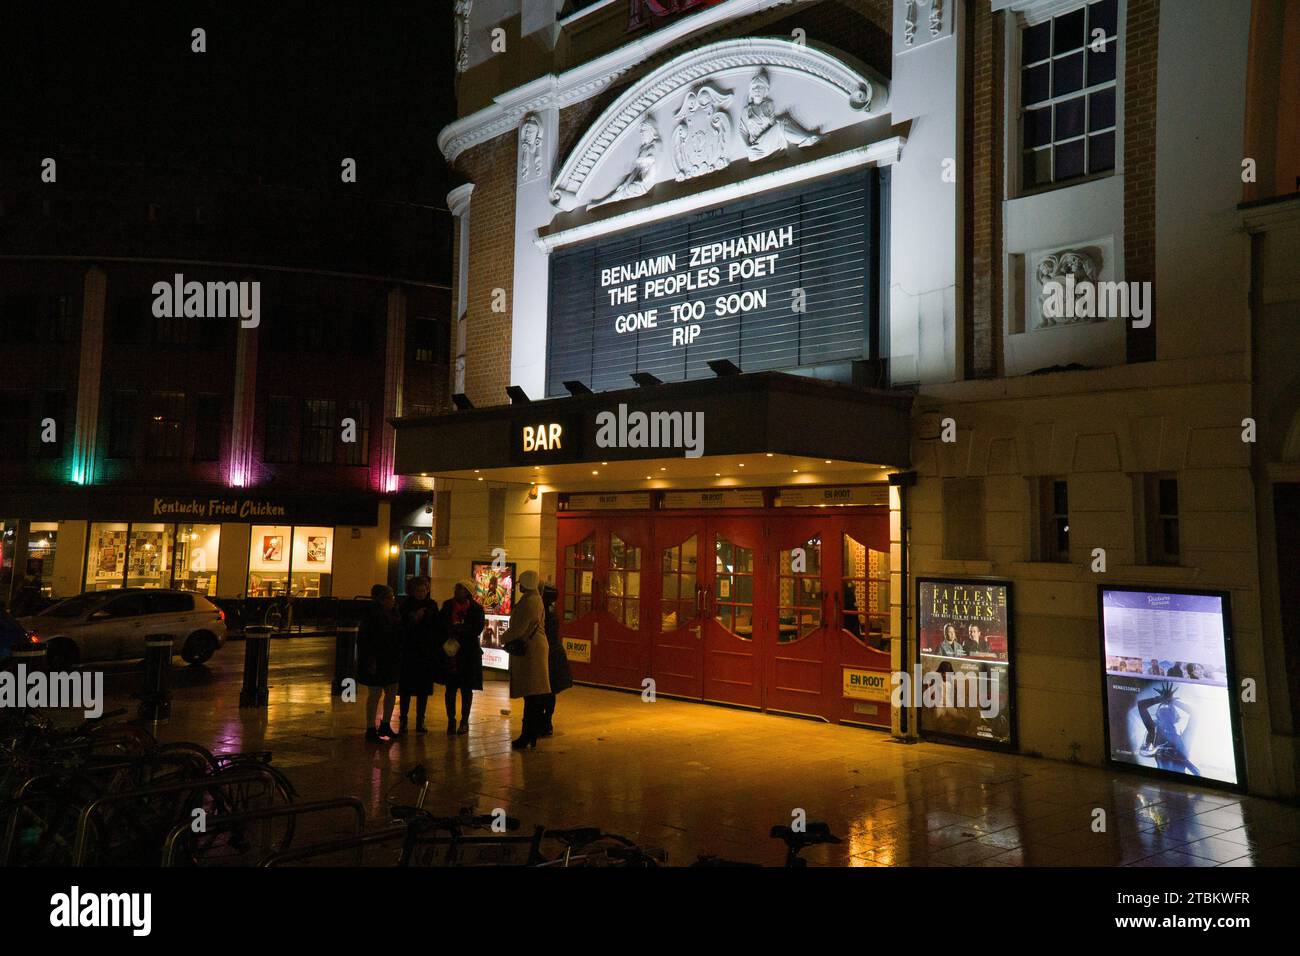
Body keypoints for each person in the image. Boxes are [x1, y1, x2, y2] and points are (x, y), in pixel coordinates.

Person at [501, 570, 550, 750]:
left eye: (521, 582)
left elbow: (519, 628)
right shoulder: (534, 599)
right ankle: (530, 734)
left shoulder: (530, 602)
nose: (519, 585)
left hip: (531, 651)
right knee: (532, 695)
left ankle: (527, 734)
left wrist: (503, 638)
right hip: (534, 648)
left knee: (531, 695)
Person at [437, 579, 485, 735]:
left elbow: (477, 629)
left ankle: (464, 721)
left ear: (468, 593)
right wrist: (450, 630)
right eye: (456, 589)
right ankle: (451, 720)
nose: (457, 592)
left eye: (460, 589)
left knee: (466, 689)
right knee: (450, 689)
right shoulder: (447, 605)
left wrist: (460, 630)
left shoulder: (477, 609)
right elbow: (441, 623)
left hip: (468, 653)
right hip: (451, 652)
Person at [358, 584, 403, 742]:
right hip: (379, 658)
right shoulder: (373, 616)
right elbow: (367, 640)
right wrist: (370, 660)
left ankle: (385, 724)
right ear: (381, 599)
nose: (392, 600)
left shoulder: (392, 613)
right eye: (390, 597)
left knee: (391, 692)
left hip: (390, 658)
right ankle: (371, 727)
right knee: (375, 693)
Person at [397, 576, 441, 735]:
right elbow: (401, 626)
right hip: (410, 652)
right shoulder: (405, 605)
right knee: (406, 690)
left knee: (423, 690)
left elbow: (437, 626)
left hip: (425, 652)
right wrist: (414, 618)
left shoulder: (431, 605)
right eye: (418, 590)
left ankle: (420, 720)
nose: (421, 593)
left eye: (423, 590)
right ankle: (403, 720)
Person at [538, 583, 572, 737]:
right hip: (555, 654)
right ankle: (546, 722)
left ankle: (543, 722)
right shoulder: (552, 611)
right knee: (550, 691)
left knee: (544, 690)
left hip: (547, 655)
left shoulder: (543, 611)